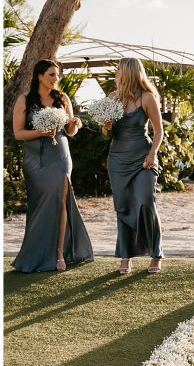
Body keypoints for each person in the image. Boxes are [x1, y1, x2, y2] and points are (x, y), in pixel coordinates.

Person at [11, 59, 93, 273]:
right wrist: (40, 132)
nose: (56, 79)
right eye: (51, 74)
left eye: (57, 75)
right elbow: (18, 133)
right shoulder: (25, 100)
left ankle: (58, 254)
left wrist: (74, 124)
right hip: (35, 158)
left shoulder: (62, 98)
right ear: (39, 76)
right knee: (40, 203)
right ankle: (34, 254)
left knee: (61, 201)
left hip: (60, 155)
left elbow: (69, 131)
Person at [102, 57, 164, 274]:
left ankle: (156, 254)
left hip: (143, 159)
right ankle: (126, 256)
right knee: (124, 206)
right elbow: (106, 133)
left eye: (118, 70)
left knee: (146, 203)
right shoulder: (112, 98)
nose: (116, 73)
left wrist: (152, 153)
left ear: (129, 72)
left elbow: (159, 131)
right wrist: (106, 127)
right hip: (117, 159)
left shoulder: (147, 98)